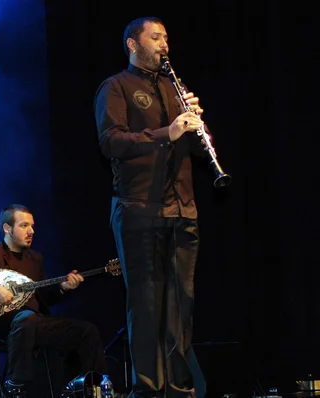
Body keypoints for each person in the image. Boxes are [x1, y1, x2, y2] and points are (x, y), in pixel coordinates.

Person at [93, 16, 210, 398]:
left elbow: (192, 146)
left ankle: (179, 388)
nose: (165, 45)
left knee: (182, 305)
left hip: (183, 208)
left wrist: (197, 130)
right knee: (145, 303)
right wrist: (167, 132)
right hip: (139, 207)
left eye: (166, 38)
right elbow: (111, 142)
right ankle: (146, 389)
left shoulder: (177, 89)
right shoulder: (116, 86)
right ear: (132, 43)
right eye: (155, 37)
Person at [0, 204, 105, 397]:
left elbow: (44, 298)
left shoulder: (35, 259)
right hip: (8, 325)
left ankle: (92, 389)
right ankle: (16, 385)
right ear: (7, 229)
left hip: (36, 323)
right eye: (24, 225)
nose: (31, 231)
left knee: (87, 331)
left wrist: (62, 288)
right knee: (26, 318)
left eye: (32, 226)